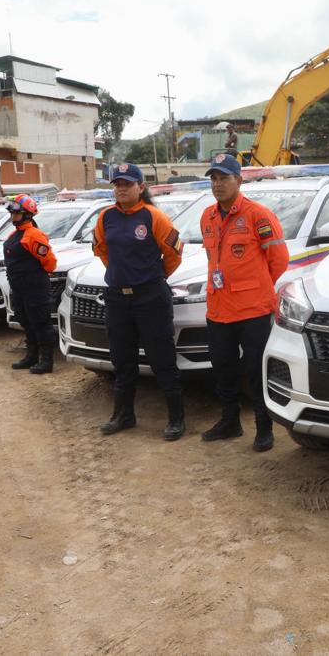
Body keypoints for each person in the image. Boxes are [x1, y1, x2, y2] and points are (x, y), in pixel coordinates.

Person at [199, 153, 289, 452]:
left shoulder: (258, 215)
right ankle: (230, 422)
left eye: (224, 178)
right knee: (223, 369)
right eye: (214, 178)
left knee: (255, 370)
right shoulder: (207, 217)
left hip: (253, 311)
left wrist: (256, 287)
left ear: (239, 179)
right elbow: (214, 259)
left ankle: (264, 428)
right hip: (218, 310)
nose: (218, 184)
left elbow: (278, 261)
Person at [92, 162, 186, 440]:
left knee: (162, 360)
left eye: (127, 184)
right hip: (117, 301)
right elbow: (101, 249)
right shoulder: (105, 217)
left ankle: (176, 419)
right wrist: (122, 276)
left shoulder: (154, 217)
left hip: (151, 299)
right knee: (122, 360)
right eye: (117, 184)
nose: (121, 188)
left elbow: (174, 253)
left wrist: (152, 277)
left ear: (141, 188)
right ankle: (124, 415)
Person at [3, 194, 57, 374]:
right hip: (19, 287)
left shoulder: (34, 235)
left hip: (35, 287)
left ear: (27, 214)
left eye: (16, 213)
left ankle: (46, 360)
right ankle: (31, 356)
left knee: (41, 323)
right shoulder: (15, 234)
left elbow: (50, 263)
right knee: (26, 321)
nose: (13, 216)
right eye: (12, 213)